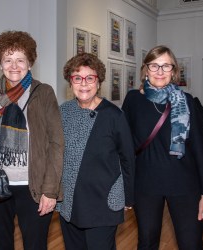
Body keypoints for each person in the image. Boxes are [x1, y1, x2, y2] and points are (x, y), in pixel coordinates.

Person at [0, 30, 64, 250]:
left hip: (31, 186)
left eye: (20, 60)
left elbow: (56, 142)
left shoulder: (43, 93)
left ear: (30, 63)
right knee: (0, 244)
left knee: (35, 245)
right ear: (0, 63)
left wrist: (50, 190)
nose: (14, 66)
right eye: (8, 60)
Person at [122, 45, 203, 250]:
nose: (160, 71)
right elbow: (124, 145)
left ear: (173, 71)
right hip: (145, 184)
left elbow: (202, 152)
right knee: (147, 243)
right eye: (154, 66)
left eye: (166, 66)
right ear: (145, 69)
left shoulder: (187, 102)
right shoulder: (133, 100)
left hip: (184, 184)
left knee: (191, 244)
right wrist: (124, 186)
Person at [57, 52, 135, 250]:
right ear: (71, 82)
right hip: (70, 201)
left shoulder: (114, 115)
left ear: (98, 82)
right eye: (77, 78)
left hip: (103, 201)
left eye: (89, 78)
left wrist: (128, 196)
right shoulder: (63, 111)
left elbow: (128, 158)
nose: (84, 83)